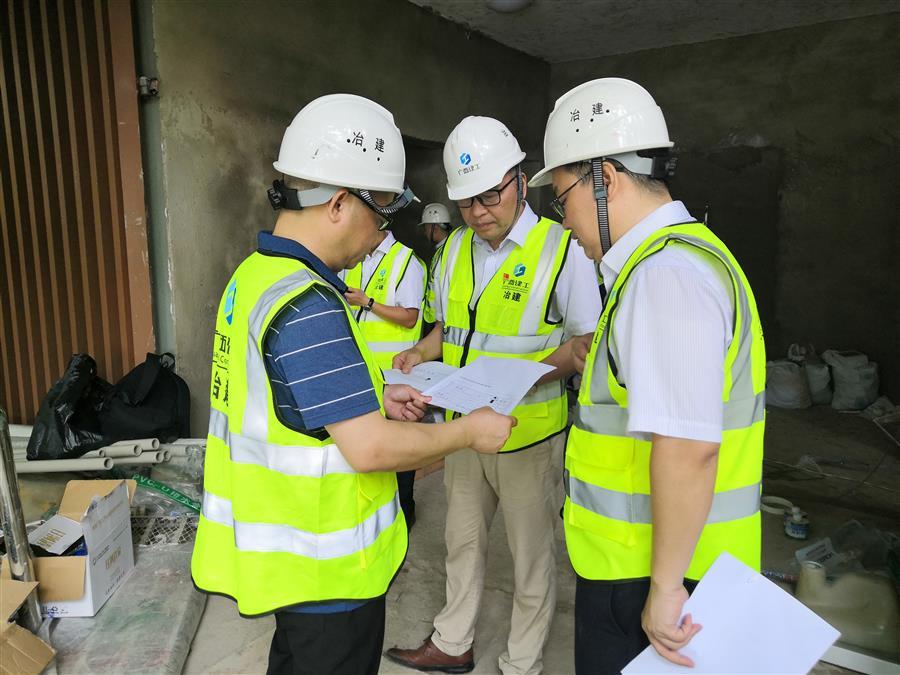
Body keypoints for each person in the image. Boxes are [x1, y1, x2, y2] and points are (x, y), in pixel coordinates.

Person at [190, 94, 515, 675]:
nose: (379, 236)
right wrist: (469, 432)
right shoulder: (309, 303)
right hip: (328, 571)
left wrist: (375, 396)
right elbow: (369, 448)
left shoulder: (255, 276)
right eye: (380, 215)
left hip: (289, 564)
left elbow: (280, 397)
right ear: (339, 203)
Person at [528, 77, 765, 674]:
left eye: (562, 200)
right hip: (648, 560)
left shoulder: (666, 276)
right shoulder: (667, 264)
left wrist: (664, 589)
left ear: (604, 180)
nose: (565, 222)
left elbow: (688, 447)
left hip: (657, 574)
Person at [385, 117, 602, 675]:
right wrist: (420, 353)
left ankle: (521, 664)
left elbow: (584, 344)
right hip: (463, 432)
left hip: (528, 434)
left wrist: (521, 378)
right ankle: (452, 643)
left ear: (520, 181)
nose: (479, 212)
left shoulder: (562, 249)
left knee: (531, 559)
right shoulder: (453, 249)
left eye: (490, 195)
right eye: (466, 201)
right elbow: (448, 328)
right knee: (460, 544)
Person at [342, 229, 427, 528]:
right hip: (361, 374)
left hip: (396, 375)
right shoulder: (352, 258)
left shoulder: (406, 261)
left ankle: (404, 510)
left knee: (399, 449)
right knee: (367, 446)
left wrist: (368, 302)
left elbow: (410, 317)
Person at [417, 202, 453, 326]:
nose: (425, 232)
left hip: (439, 321)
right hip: (437, 319)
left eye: (426, 228)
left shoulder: (446, 252)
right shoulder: (445, 249)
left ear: (435, 227)